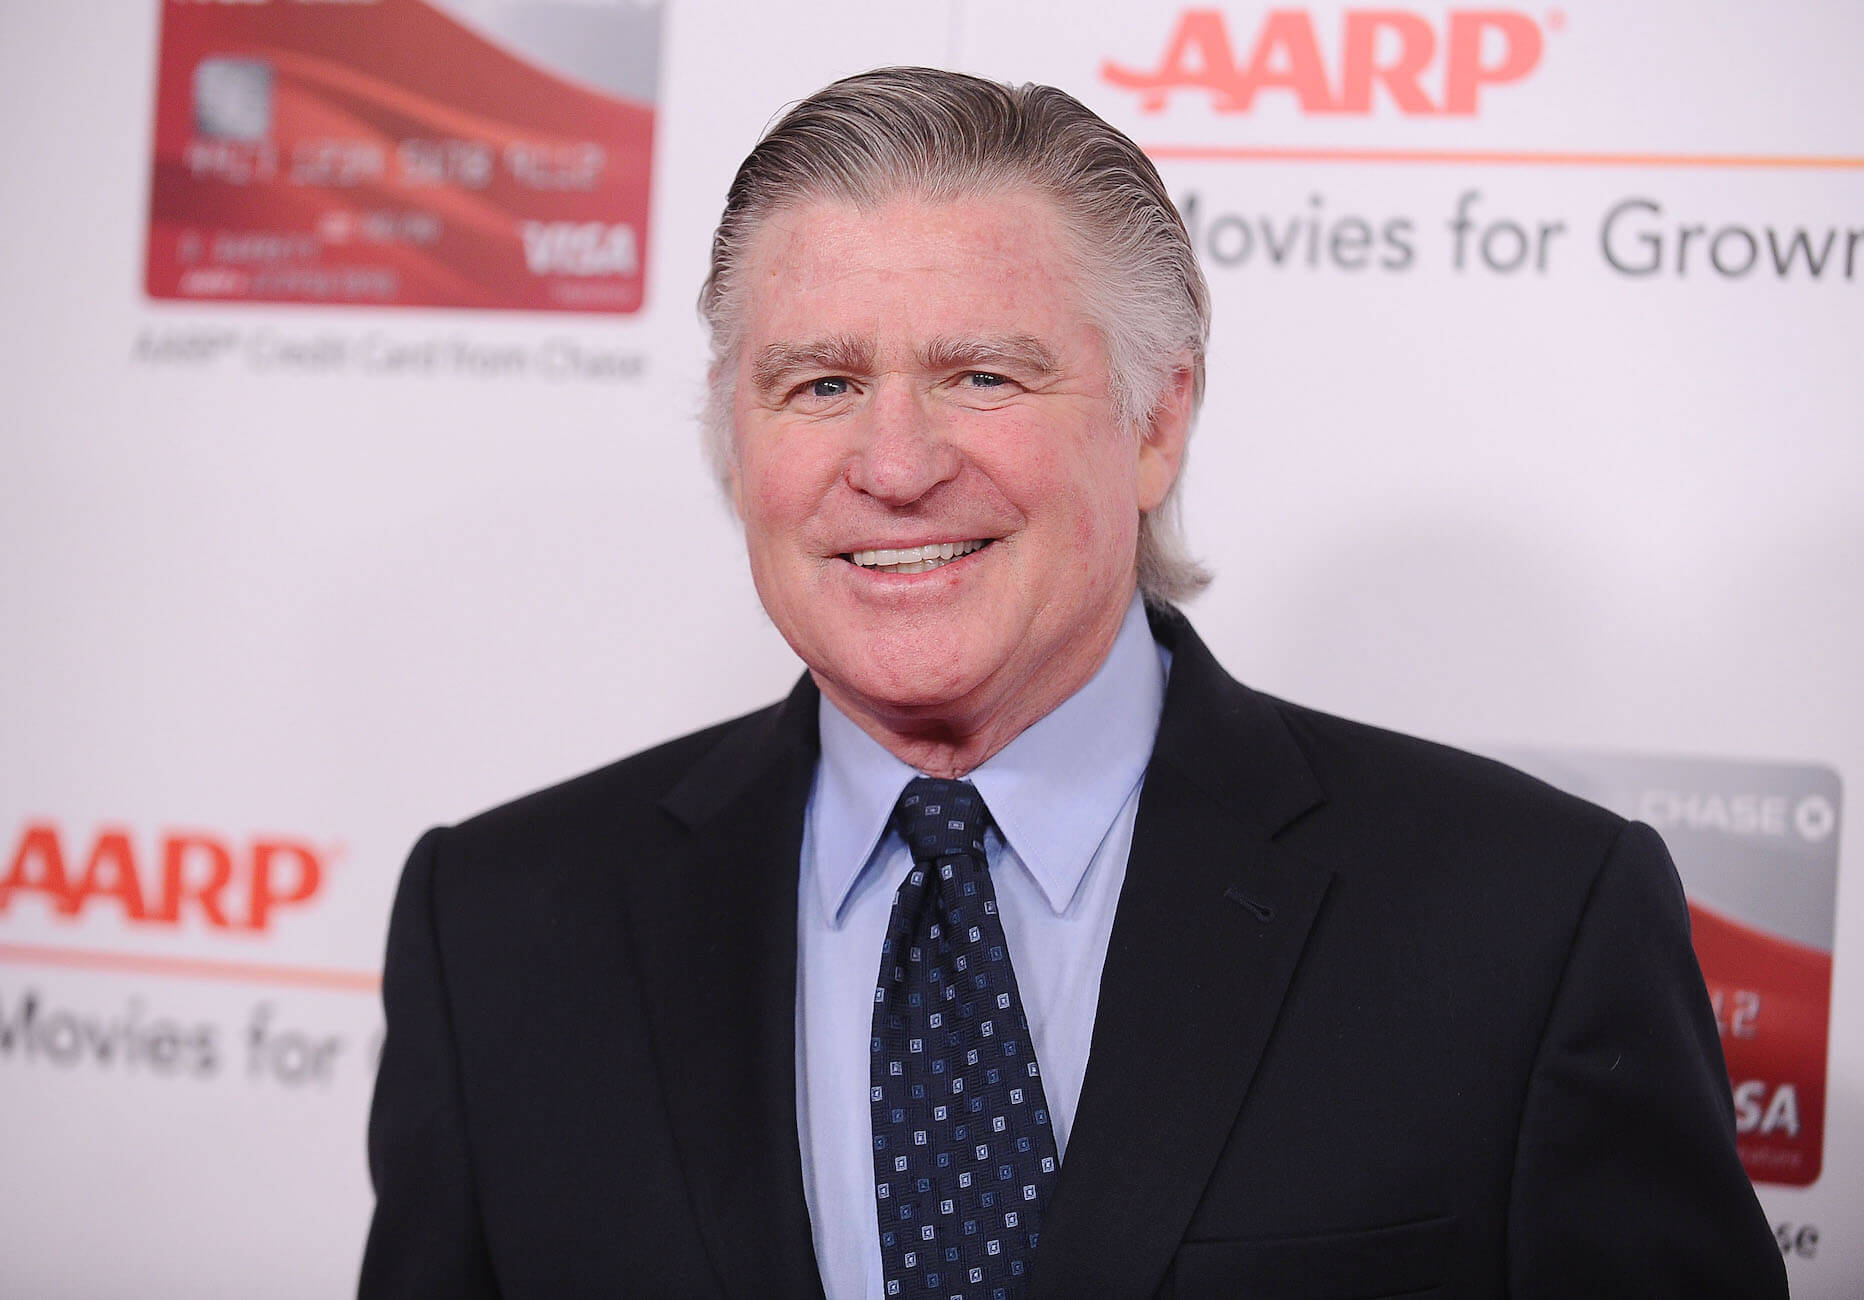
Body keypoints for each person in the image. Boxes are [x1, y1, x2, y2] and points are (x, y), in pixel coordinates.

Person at [360, 68, 1786, 1299]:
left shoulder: (1525, 923)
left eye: (983, 376)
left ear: (1158, 419)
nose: (898, 464)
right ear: (735, 436)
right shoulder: (496, 931)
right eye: (820, 385)